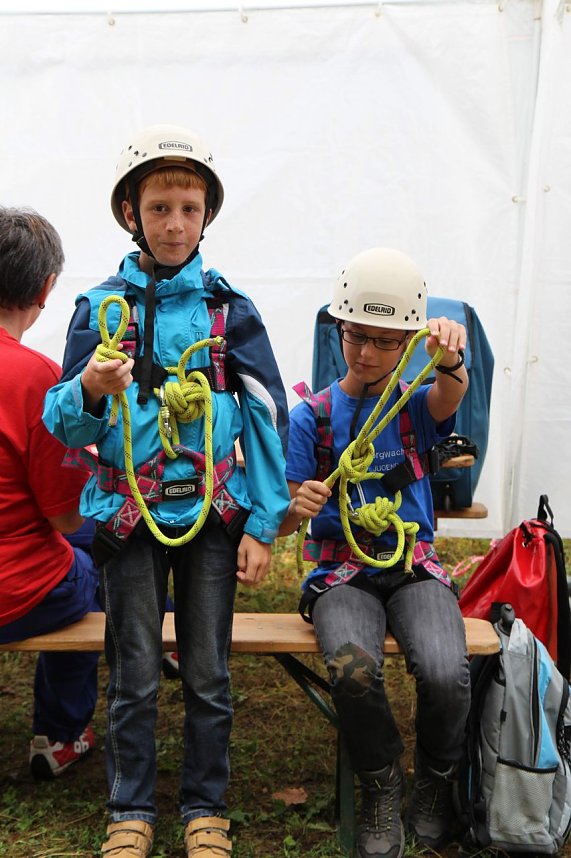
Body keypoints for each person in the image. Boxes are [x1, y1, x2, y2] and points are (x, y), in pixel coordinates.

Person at [43, 124, 290, 858]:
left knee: (208, 672)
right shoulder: (99, 308)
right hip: (127, 512)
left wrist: (263, 522)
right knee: (136, 672)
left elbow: (266, 414)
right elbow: (61, 420)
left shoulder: (227, 310)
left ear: (206, 214)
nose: (175, 223)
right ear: (130, 212)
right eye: (159, 207)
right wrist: (90, 384)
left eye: (188, 207)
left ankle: (204, 806)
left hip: (210, 514)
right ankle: (130, 809)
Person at [279, 247, 471, 858]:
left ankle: (435, 782)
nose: (365, 353)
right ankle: (382, 782)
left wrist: (450, 357)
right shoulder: (312, 415)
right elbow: (283, 520)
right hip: (342, 572)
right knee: (353, 670)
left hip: (414, 566)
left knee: (445, 672)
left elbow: (449, 394)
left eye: (386, 342)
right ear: (340, 330)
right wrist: (297, 508)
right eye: (356, 336)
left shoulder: (417, 404)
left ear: (408, 342)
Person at [0, 206, 100, 780]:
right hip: (15, 592)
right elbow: (62, 517)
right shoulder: (38, 378)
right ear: (46, 287)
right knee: (94, 554)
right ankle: (60, 736)